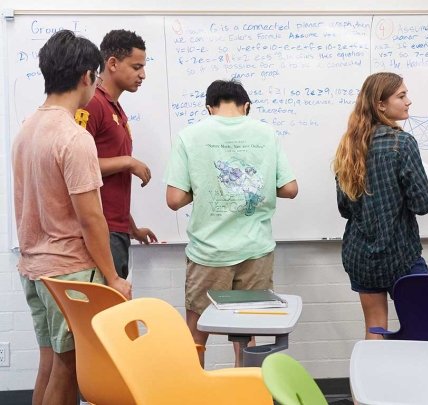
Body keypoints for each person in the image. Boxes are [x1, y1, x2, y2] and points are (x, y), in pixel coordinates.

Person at [12, 30, 132, 405]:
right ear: (86, 76)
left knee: (50, 362)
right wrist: (113, 277)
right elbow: (91, 219)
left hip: (34, 267)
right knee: (68, 368)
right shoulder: (74, 137)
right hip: (69, 272)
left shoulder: (27, 128)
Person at [165, 79, 298, 366]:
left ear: (209, 108)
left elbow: (174, 199)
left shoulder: (190, 135)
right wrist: (251, 189)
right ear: (246, 106)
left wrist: (207, 187)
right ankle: (246, 392)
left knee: (197, 331)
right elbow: (290, 189)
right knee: (246, 332)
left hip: (209, 253)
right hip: (255, 250)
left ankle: (194, 393)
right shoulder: (266, 133)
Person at [333, 72, 428, 340]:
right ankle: (412, 382)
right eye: (401, 96)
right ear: (380, 104)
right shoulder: (402, 143)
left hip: (361, 256)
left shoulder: (348, 146)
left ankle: (371, 382)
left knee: (374, 327)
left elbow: (344, 208)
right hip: (401, 253)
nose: (408, 101)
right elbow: (423, 204)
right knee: (422, 327)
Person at [76, 29, 157, 280]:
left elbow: (110, 184)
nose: (142, 74)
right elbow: (75, 165)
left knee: (118, 312)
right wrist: (127, 162)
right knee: (104, 316)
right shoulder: (93, 104)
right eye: (136, 67)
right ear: (112, 63)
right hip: (100, 231)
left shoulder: (116, 109)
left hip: (117, 230)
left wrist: (132, 228)